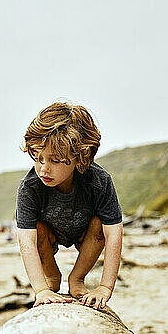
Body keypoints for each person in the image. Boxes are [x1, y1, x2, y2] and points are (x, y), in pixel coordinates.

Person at [16, 102, 123, 309]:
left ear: (80, 157)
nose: (43, 169)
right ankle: (52, 276)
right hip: (48, 236)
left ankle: (76, 278)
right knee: (36, 230)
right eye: (38, 158)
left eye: (55, 161)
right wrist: (41, 290)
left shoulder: (99, 182)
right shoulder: (29, 187)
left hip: (87, 235)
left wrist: (105, 287)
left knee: (100, 222)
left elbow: (114, 234)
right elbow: (26, 241)